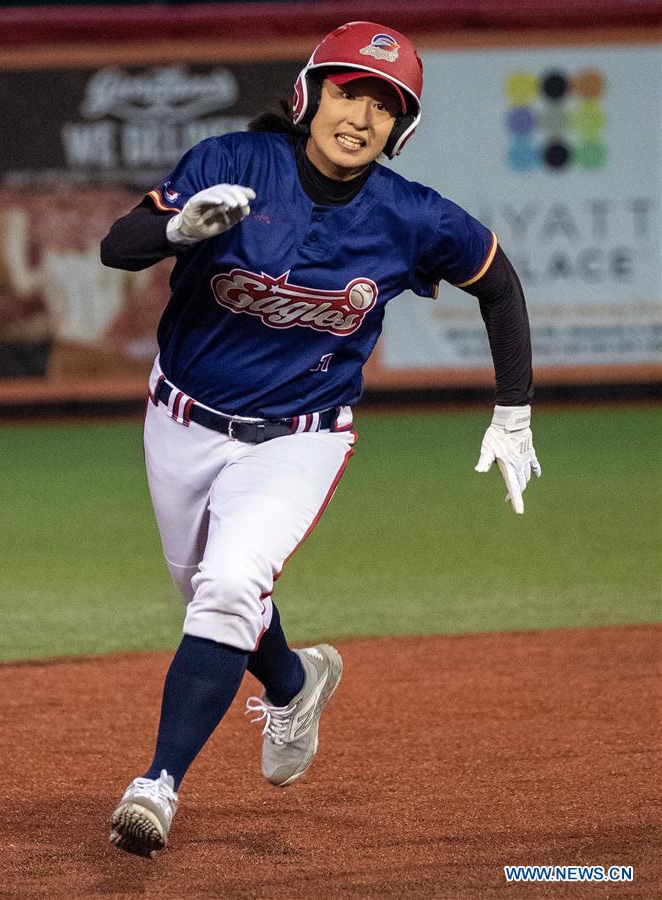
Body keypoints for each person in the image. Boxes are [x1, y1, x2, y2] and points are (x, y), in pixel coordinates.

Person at [100, 20, 540, 858]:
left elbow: (499, 282)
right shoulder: (233, 161)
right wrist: (179, 230)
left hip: (301, 436)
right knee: (213, 589)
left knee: (229, 585)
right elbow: (116, 246)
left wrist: (512, 408)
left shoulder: (411, 216)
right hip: (180, 418)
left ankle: (156, 786)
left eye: (385, 103)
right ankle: (297, 683)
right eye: (348, 90)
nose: (361, 115)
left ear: (401, 129)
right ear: (308, 95)